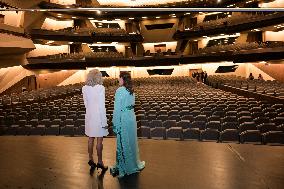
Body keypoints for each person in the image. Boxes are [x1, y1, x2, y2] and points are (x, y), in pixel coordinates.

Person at [110, 72, 145, 178]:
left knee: (123, 143)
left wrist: (115, 124)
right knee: (131, 141)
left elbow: (117, 110)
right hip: (131, 117)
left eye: (119, 78)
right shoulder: (131, 90)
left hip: (124, 118)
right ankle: (133, 164)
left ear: (122, 79)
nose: (118, 80)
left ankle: (125, 168)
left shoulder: (120, 90)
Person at [82, 69, 109, 173]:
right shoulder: (100, 88)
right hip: (98, 117)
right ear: (98, 77)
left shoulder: (84, 88)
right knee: (99, 141)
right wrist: (104, 122)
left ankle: (90, 159)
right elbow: (102, 107)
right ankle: (100, 162)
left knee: (90, 138)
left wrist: (90, 113)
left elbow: (86, 104)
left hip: (89, 116)